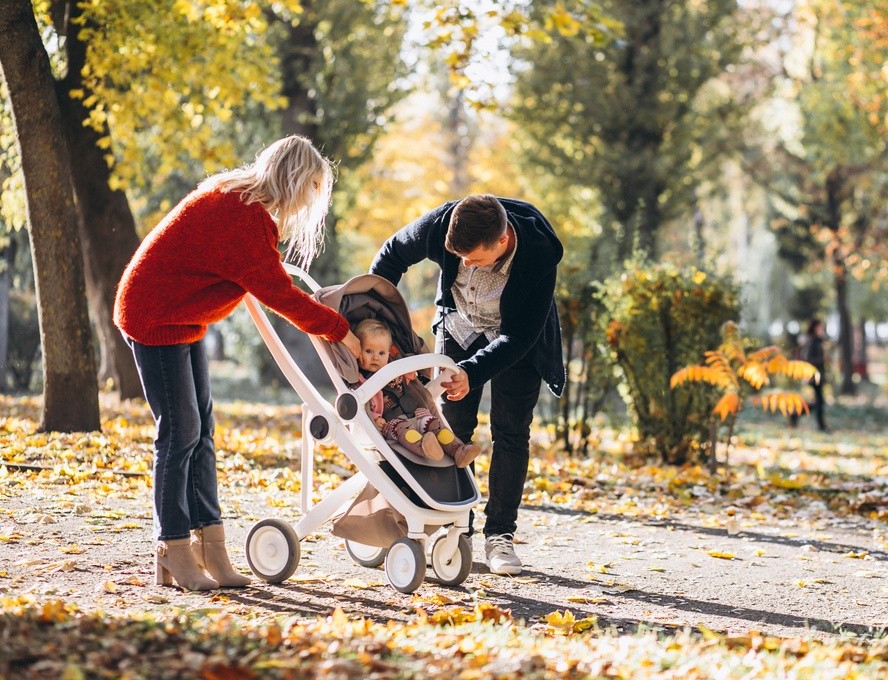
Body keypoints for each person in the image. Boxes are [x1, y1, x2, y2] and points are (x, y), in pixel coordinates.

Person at [113, 135, 361, 591]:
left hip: (181, 319)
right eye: (310, 190)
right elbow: (282, 297)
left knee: (202, 432)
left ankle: (211, 548)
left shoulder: (241, 204)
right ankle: (171, 547)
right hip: (154, 316)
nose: (309, 203)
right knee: (180, 432)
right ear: (295, 181)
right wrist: (342, 330)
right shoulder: (241, 217)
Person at [370, 194, 564, 575]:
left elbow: (520, 336)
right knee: (450, 429)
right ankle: (457, 530)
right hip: (459, 327)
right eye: (459, 258)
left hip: (514, 339)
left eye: (474, 259)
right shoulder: (444, 223)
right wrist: (375, 318)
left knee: (510, 432)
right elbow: (391, 255)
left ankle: (499, 535)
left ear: (503, 241)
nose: (465, 266)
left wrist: (472, 373)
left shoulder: (539, 252)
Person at [354, 319, 481, 468]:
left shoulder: (398, 371)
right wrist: (375, 419)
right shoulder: (361, 382)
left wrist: (410, 372)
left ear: (389, 353)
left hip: (416, 413)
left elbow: (413, 383)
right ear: (358, 350)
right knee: (403, 429)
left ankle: (458, 450)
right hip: (392, 423)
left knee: (434, 424)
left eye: (381, 353)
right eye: (369, 351)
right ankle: (425, 447)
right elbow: (363, 407)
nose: (375, 357)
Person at [789, 317, 828, 431]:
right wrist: (822, 359)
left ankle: (795, 415)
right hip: (813, 375)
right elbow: (808, 359)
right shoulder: (811, 341)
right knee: (819, 401)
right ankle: (820, 426)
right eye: (820, 326)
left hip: (818, 375)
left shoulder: (818, 340)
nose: (822, 328)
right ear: (815, 327)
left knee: (818, 401)